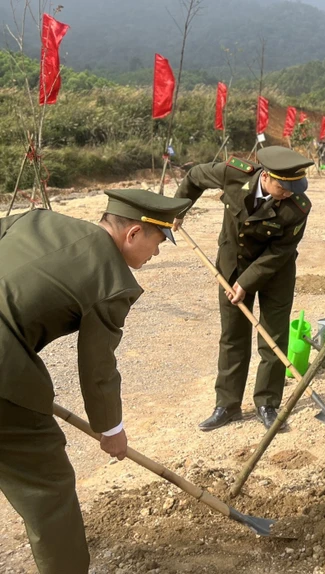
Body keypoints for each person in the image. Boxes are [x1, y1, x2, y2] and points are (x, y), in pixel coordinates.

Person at [0, 189, 190, 574]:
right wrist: (111, 428)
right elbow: (98, 366)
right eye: (157, 242)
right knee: (47, 487)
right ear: (133, 233)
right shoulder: (112, 279)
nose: (157, 254)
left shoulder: (36, 219)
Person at [173, 148, 313, 431]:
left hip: (275, 272)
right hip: (232, 264)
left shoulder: (298, 207)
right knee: (233, 335)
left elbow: (280, 251)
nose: (287, 194)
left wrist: (246, 284)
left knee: (273, 336)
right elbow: (194, 177)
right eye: (282, 188)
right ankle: (227, 405)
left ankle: (267, 403)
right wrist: (177, 210)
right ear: (267, 176)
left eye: (292, 189)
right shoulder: (234, 174)